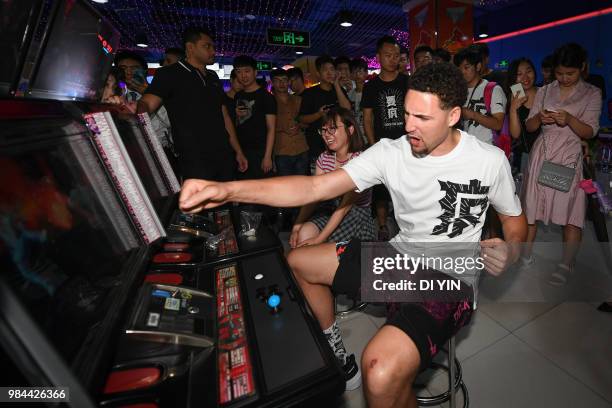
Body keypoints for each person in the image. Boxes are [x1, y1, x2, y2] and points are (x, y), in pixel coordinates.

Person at [178, 62, 527, 404]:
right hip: (399, 258)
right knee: (298, 261)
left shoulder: (488, 160)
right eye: (406, 114)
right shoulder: (391, 152)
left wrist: (509, 251)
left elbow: (515, 223)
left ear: (453, 116)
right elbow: (315, 189)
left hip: (448, 280)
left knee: (380, 371)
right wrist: (227, 191)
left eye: (422, 118)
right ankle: (336, 352)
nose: (409, 127)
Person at [521, 43, 602, 285]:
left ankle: (566, 263)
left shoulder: (592, 93)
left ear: (582, 68)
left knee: (571, 213)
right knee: (531, 207)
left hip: (568, 156)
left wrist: (569, 120)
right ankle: (524, 254)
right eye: (559, 73)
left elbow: (589, 131)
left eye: (570, 73)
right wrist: (538, 117)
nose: (564, 78)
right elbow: (530, 127)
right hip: (542, 153)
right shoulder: (545, 91)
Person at [137, 27, 247, 180]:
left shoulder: (213, 76)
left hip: (223, 154)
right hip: (194, 158)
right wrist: (131, 109)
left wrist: (238, 151)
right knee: (202, 201)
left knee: (224, 200)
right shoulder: (169, 74)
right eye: (207, 46)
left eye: (213, 47)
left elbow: (224, 116)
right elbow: (147, 104)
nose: (213, 51)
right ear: (190, 48)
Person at [290, 107, 375, 248]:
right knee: (303, 234)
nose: (326, 135)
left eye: (332, 129)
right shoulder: (325, 158)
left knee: (316, 244)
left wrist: (319, 239)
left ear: (351, 130)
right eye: (323, 130)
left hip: (356, 217)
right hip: (331, 211)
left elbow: (344, 208)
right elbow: (313, 195)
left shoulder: (360, 161)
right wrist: (296, 227)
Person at [362, 35, 409, 240]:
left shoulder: (407, 82)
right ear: (378, 57)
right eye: (388, 55)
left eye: (396, 55)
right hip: (382, 146)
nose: (393, 59)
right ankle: (382, 226)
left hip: (407, 146)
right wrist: (373, 146)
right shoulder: (371, 86)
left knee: (406, 187)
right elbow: (367, 118)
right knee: (381, 189)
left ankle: (406, 225)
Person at [298, 55, 351, 173]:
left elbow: (347, 110)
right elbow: (302, 119)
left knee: (340, 184)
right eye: (325, 70)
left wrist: (336, 84)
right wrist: (318, 114)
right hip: (317, 147)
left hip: (340, 147)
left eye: (332, 69)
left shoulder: (339, 90)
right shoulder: (310, 93)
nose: (329, 72)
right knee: (319, 184)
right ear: (318, 73)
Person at [233, 55, 276, 180]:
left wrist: (267, 156)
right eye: (239, 72)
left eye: (247, 71)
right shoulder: (238, 96)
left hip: (260, 152)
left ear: (255, 72)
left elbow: (271, 128)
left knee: (263, 193)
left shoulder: (266, 97)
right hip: (242, 152)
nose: (243, 76)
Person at [454, 46, 507, 146]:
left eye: (466, 67)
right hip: (467, 148)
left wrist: (472, 114)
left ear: (478, 66)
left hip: (488, 148)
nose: (462, 72)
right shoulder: (458, 91)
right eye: (459, 68)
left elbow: (498, 124)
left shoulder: (493, 89)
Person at [507, 58, 540, 173]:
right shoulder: (516, 94)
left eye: (528, 71)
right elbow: (515, 134)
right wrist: (513, 108)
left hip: (546, 154)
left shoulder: (544, 93)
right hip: (524, 155)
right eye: (519, 74)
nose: (525, 77)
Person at [348, 58, 369, 144]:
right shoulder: (350, 94)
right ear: (351, 74)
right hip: (355, 137)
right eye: (354, 72)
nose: (357, 75)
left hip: (369, 135)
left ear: (366, 73)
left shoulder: (371, 92)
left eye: (360, 71)